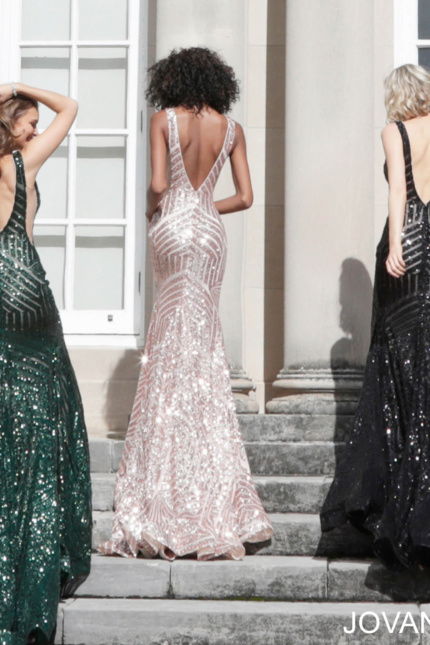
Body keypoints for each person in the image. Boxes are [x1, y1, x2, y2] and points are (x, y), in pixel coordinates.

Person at [99, 47, 273, 561]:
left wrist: (157, 209)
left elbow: (158, 183)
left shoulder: (164, 120)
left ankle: (166, 488)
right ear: (218, 84)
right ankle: (213, 489)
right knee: (202, 343)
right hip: (210, 230)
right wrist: (203, 207)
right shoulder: (232, 129)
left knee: (168, 339)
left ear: (171, 81)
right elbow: (245, 197)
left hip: (172, 226)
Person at [320, 63, 430, 570]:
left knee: (397, 362)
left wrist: (396, 245)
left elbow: (398, 193)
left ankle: (395, 495)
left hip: (405, 243)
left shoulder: (395, 131)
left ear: (397, 96)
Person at [0, 83, 92, 644]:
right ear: (10, 125)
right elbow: (72, 108)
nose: (35, 130)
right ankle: (38, 556)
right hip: (24, 290)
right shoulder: (20, 162)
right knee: (44, 420)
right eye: (27, 121)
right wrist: (18, 88)